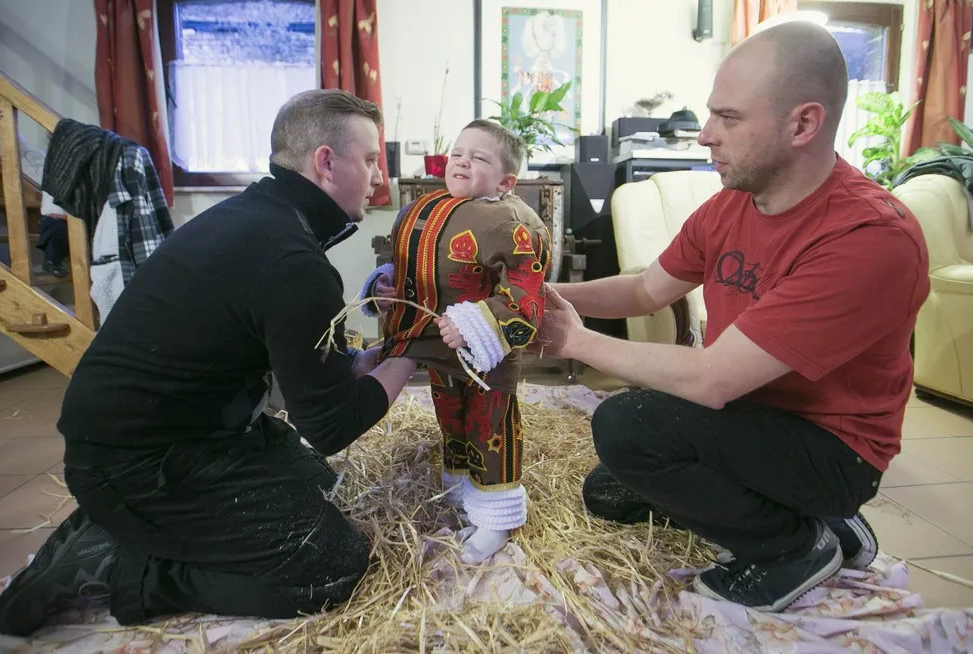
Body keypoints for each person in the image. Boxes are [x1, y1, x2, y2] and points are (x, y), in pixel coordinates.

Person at [532, 21, 930, 613]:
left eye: (728, 118)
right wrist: (544, 293)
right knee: (609, 491)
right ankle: (819, 522)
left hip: (831, 449)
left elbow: (714, 379)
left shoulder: (870, 237)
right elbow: (644, 290)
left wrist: (573, 340)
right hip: (754, 414)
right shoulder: (729, 206)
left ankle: (793, 548)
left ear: (803, 124)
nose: (705, 136)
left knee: (626, 426)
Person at [0, 89, 419, 636]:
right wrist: (414, 353)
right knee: (332, 564)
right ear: (326, 162)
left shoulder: (262, 218)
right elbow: (332, 424)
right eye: (371, 160)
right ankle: (127, 568)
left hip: (168, 432)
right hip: (135, 461)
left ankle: (116, 529)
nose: (379, 176)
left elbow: (321, 375)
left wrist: (388, 350)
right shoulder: (291, 260)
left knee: (314, 483)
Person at [360, 119, 550, 564]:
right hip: (434, 344)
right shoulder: (421, 209)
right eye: (458, 153)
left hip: (485, 353)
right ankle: (463, 489)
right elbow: (404, 265)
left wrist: (479, 325)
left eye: (478, 157)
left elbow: (528, 295)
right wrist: (384, 286)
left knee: (490, 425)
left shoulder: (514, 223)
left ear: (506, 182)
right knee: (451, 417)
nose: (462, 161)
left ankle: (497, 516)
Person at [0, 104, 70, 277]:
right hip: (54, 219)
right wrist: (2, 119)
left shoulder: (80, 164)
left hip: (75, 220)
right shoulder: (45, 160)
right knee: (56, 229)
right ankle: (52, 261)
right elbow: (22, 146)